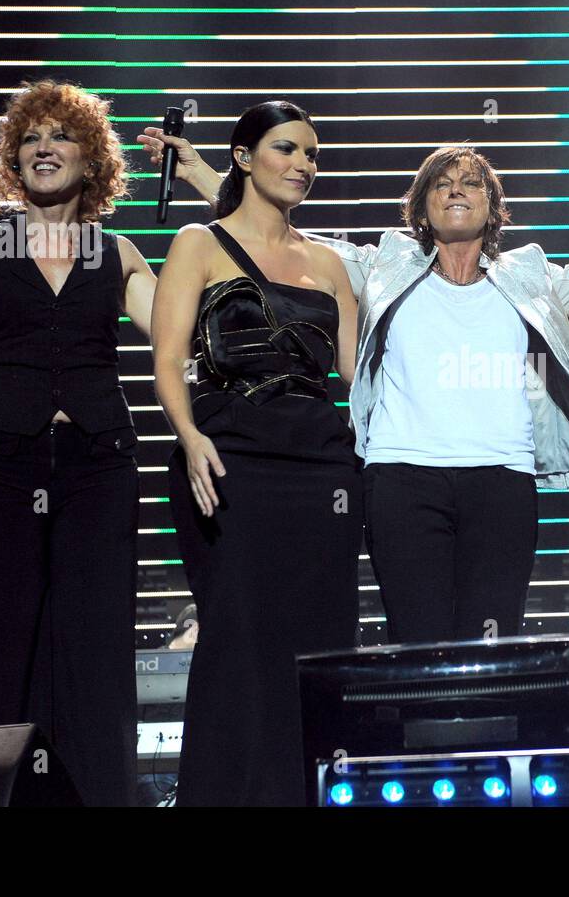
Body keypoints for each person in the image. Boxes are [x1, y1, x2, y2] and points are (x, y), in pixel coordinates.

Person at [141, 124, 569, 645]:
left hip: (503, 484)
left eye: (472, 184)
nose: (457, 192)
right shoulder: (383, 264)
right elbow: (282, 245)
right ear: (421, 205)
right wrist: (207, 179)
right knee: (420, 652)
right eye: (443, 184)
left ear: (493, 206)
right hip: (401, 482)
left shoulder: (531, 274)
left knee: (490, 654)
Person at [0, 80, 156, 806]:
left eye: (60, 135)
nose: (44, 147)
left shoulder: (118, 250)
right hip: (1, 472)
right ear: (15, 159)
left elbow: (174, 335)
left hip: (98, 470)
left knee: (98, 656)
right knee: (6, 653)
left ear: (92, 157)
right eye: (31, 138)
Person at [151, 101, 363, 806]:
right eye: (286, 148)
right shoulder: (198, 243)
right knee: (237, 644)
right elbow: (168, 357)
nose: (303, 164)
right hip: (230, 457)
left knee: (318, 644)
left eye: (312, 154)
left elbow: (355, 380)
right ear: (242, 157)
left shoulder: (330, 262)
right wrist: (188, 437)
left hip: (323, 470)